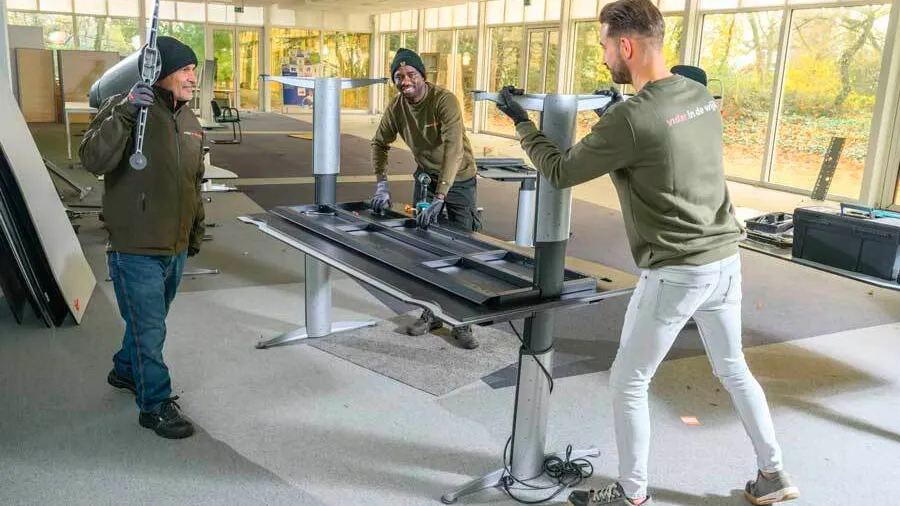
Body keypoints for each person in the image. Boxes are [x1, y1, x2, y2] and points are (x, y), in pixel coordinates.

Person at [493, 0, 799, 504]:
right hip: (725, 260)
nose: (604, 55)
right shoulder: (697, 95)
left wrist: (520, 123)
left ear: (627, 45)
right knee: (734, 369)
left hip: (678, 270)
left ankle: (632, 494)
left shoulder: (632, 119)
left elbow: (562, 171)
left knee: (628, 381)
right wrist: (620, 114)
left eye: (605, 45)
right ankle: (774, 473)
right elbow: (667, 143)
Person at [79, 36, 205, 440]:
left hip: (175, 244)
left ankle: (124, 370)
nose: (193, 77)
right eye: (185, 69)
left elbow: (193, 183)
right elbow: (92, 159)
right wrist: (128, 110)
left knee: (148, 322)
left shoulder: (190, 121)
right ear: (162, 73)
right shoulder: (126, 109)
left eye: (193, 70)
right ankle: (154, 405)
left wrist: (194, 233)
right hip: (135, 247)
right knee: (151, 330)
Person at [370, 48, 481, 349]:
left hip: (458, 180)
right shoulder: (397, 107)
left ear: (422, 76)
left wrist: (442, 194)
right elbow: (379, 143)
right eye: (398, 77)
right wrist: (382, 184)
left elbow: (454, 149)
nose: (404, 81)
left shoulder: (444, 101)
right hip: (425, 179)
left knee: (461, 253)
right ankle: (432, 313)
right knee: (427, 251)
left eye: (410, 75)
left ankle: (463, 322)